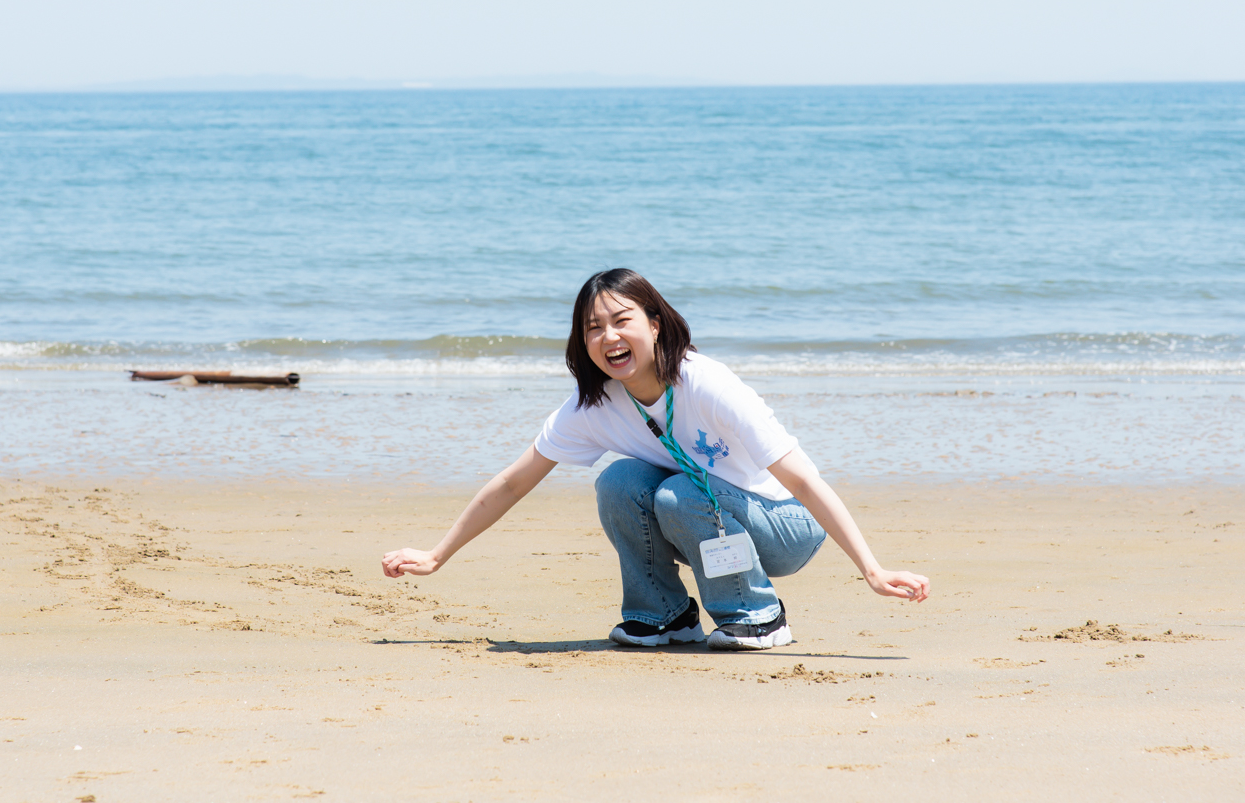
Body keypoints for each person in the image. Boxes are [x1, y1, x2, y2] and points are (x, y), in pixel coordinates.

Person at [382, 269, 930, 651]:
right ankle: (662, 615)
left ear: (654, 323)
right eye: (593, 328)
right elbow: (512, 482)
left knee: (680, 491)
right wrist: (437, 554)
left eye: (621, 320)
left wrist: (872, 569)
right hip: (710, 517)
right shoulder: (593, 406)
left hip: (784, 523)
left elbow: (803, 480)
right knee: (619, 479)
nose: (608, 337)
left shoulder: (707, 384)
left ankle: (755, 615)